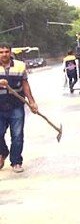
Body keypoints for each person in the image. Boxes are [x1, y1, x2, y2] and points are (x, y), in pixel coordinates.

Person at [0, 43, 38, 173]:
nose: (4, 54)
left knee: (17, 135)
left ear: (10, 52)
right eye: (1, 52)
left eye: (6, 51)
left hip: (16, 105)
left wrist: (32, 102)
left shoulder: (20, 66)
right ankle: (3, 152)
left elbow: (25, 84)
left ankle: (16, 162)